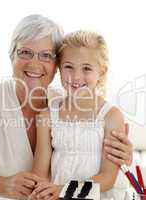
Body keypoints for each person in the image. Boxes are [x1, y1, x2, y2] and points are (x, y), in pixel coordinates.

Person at [0, 15, 133, 199]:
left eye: (45, 55)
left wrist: (122, 159)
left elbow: (107, 173)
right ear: (11, 54)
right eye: (25, 52)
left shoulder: (65, 100)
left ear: (55, 66)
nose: (34, 63)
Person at [31, 30, 130, 200]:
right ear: (59, 69)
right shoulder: (47, 116)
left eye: (86, 68)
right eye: (68, 67)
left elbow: (107, 178)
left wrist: (63, 191)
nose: (76, 77)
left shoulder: (110, 116)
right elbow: (39, 173)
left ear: (102, 72)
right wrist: (41, 193)